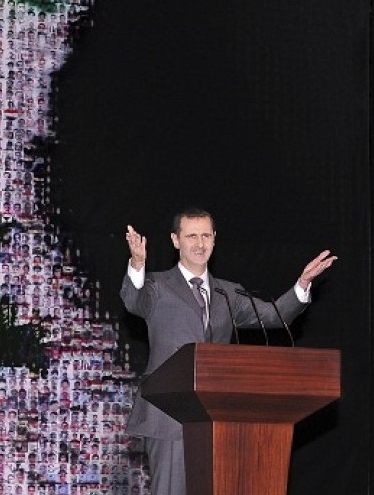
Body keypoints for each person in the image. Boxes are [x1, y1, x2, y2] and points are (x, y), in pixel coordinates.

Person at [121, 207, 336, 495]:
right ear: (175, 240)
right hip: (169, 416)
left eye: (206, 236)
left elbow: (274, 316)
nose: (200, 244)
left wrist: (303, 284)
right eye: (192, 236)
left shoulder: (227, 293)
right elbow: (134, 301)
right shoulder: (157, 286)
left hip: (219, 419)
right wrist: (137, 263)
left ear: (214, 239)